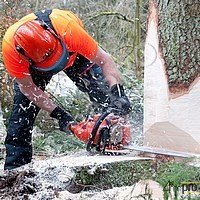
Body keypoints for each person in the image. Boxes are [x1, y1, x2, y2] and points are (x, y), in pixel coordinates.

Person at [2, 9, 131, 170]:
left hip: (72, 53)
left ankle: (116, 133)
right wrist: (60, 115)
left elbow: (105, 60)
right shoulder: (11, 51)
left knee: (104, 93)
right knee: (21, 116)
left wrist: (118, 93)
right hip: (34, 68)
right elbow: (29, 89)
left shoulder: (67, 29)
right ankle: (15, 170)